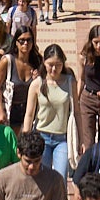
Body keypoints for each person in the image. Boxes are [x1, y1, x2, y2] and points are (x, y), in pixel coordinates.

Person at [22, 44, 76, 187]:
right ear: (44, 63)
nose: (54, 69)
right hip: (42, 137)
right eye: (50, 65)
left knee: (60, 179)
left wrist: (80, 138)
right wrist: (25, 140)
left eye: (58, 65)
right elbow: (29, 114)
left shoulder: (70, 82)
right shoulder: (37, 84)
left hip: (62, 139)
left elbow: (76, 113)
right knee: (40, 179)